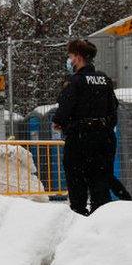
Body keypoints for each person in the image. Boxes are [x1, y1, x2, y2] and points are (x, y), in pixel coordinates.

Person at [53, 39, 119, 215]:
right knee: (100, 184)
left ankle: (80, 218)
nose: (69, 60)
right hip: (104, 139)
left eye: (71, 56)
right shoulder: (105, 80)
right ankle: (102, 219)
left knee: (77, 183)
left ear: (78, 58)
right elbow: (114, 109)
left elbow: (62, 114)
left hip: (80, 139)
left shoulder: (75, 82)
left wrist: (63, 124)